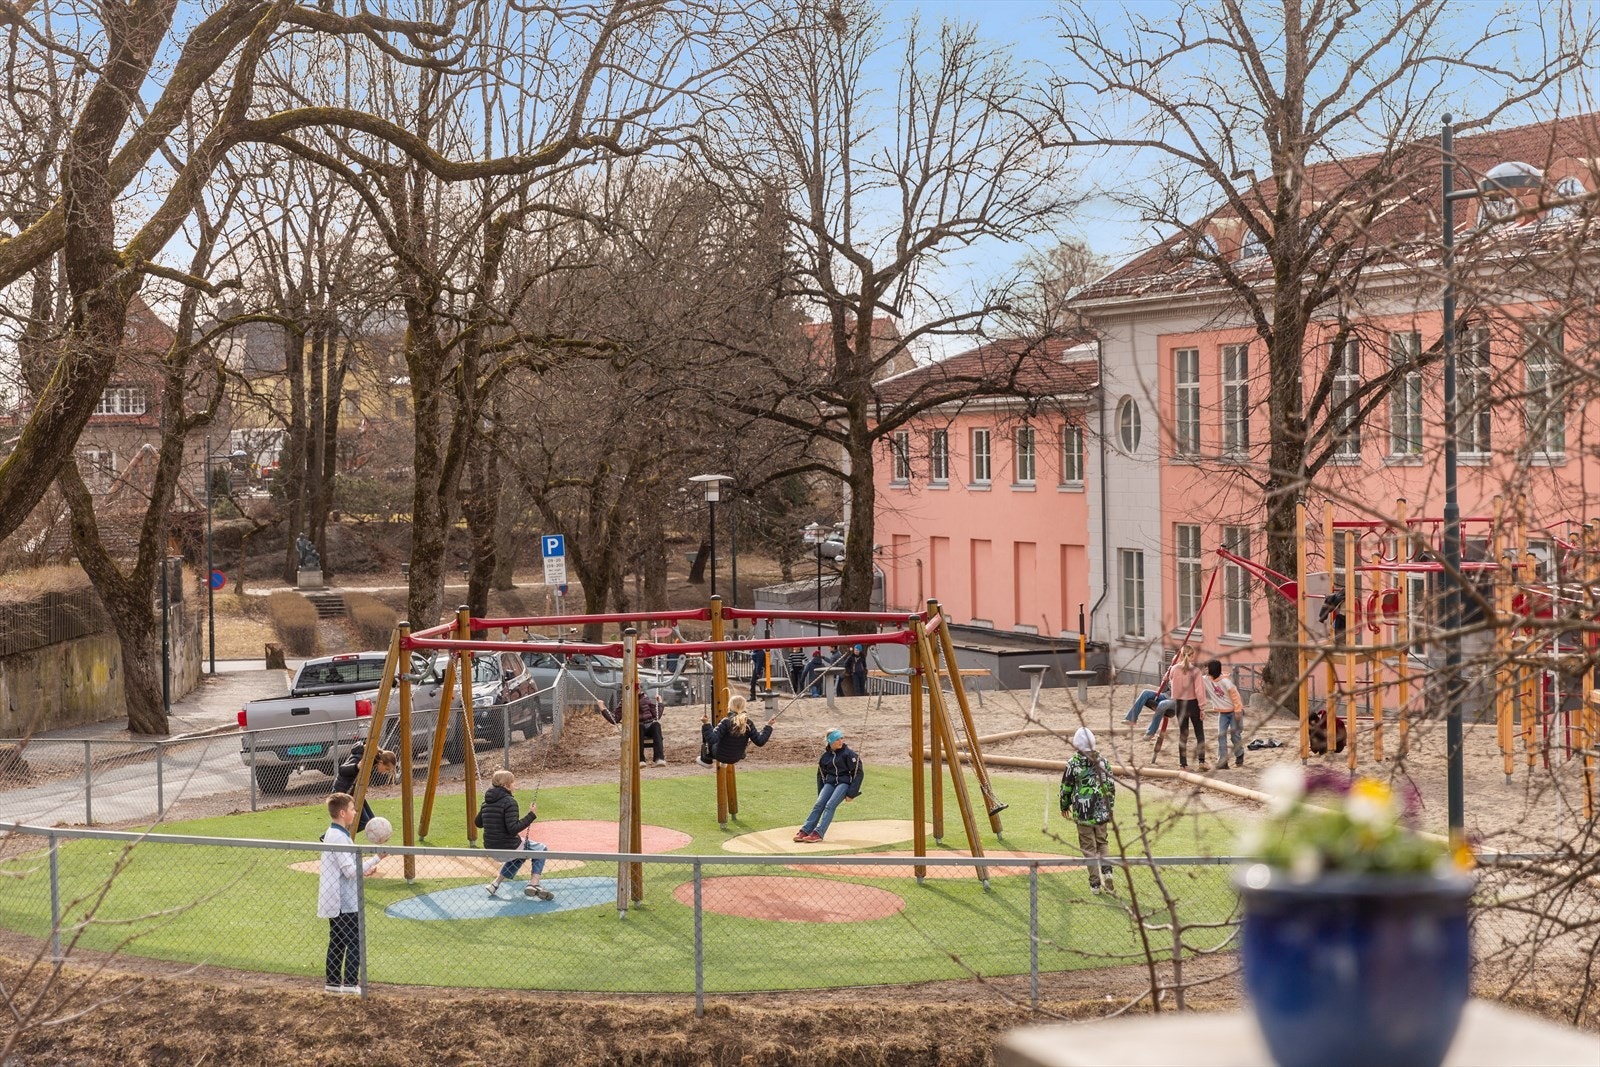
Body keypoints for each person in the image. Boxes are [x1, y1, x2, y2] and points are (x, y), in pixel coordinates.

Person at [318, 792, 382, 993]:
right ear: (342, 813)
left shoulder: (334, 833)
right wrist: (377, 858)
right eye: (353, 809)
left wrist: (365, 869)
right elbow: (350, 871)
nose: (356, 812)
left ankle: (333, 983)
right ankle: (351, 984)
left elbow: (347, 867)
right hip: (343, 901)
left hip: (335, 898)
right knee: (355, 941)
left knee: (337, 941)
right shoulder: (339, 837)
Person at [478, 769, 554, 900]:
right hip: (508, 847)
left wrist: (485, 810)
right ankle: (534, 884)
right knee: (541, 849)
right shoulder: (509, 802)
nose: (515, 785)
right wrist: (531, 815)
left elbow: (478, 823)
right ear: (506, 785)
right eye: (513, 782)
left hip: (492, 849)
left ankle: (495, 884)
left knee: (519, 855)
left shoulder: (486, 802)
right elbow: (513, 829)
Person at [1060, 727, 1116, 893]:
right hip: (1101, 810)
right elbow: (1110, 786)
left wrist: (1064, 805)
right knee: (1102, 842)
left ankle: (1095, 884)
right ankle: (1107, 872)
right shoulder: (1103, 762)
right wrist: (1110, 808)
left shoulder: (1073, 763)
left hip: (1083, 813)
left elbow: (1066, 787)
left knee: (1088, 847)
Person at [794, 728, 864, 843]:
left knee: (830, 805)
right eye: (837, 739)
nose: (840, 741)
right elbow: (820, 776)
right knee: (819, 804)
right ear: (830, 741)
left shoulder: (849, 754)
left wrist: (851, 793)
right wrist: (821, 793)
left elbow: (858, 773)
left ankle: (818, 833)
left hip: (844, 783)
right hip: (830, 783)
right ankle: (805, 830)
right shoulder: (825, 757)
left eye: (841, 738)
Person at [1160, 645, 1207, 770]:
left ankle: (1183, 764)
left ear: (1180, 655)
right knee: (1199, 733)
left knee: (1183, 734)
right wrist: (1202, 708)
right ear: (1192, 656)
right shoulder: (1196, 671)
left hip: (1180, 704)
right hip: (1193, 704)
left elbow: (1166, 679)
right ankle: (1202, 762)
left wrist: (1170, 670)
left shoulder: (1174, 669)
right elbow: (1199, 691)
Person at [332, 742, 397, 831]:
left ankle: (338, 833)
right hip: (343, 792)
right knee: (364, 822)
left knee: (371, 820)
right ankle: (333, 834)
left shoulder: (372, 762)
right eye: (387, 769)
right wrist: (356, 767)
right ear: (381, 762)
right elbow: (342, 770)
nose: (385, 772)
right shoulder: (361, 757)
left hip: (354, 792)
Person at [699, 694, 775, 767]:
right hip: (737, 757)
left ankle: (706, 761)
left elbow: (712, 739)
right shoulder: (748, 723)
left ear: (730, 706)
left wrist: (706, 723)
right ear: (744, 707)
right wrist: (768, 726)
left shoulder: (726, 721)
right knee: (735, 738)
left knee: (708, 730)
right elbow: (760, 741)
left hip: (719, 755)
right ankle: (724, 761)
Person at [602, 686, 667, 766]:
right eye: (636, 687)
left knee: (656, 725)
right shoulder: (624, 702)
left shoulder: (645, 698)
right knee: (639, 726)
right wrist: (603, 709)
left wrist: (660, 703)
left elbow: (657, 715)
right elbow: (615, 719)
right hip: (637, 728)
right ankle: (640, 760)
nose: (638, 689)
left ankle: (659, 758)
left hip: (649, 725)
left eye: (639, 687)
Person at [1203, 659, 1245, 769]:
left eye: (1207, 667)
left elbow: (1236, 697)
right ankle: (1223, 761)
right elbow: (1194, 678)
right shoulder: (1206, 679)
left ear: (1213, 669)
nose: (1205, 669)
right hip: (1223, 713)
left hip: (1234, 711)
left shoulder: (1226, 682)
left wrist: (1238, 710)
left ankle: (1239, 754)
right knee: (1221, 735)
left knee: (1235, 735)